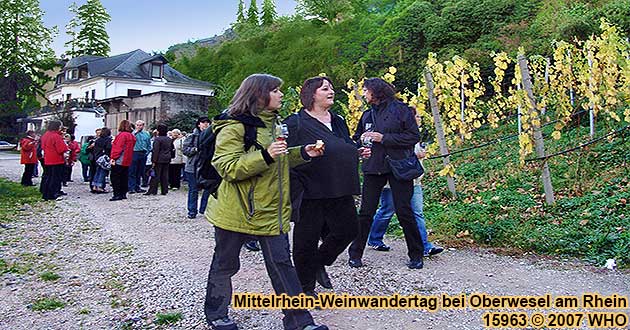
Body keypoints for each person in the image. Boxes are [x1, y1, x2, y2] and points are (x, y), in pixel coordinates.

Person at [204, 73, 327, 330]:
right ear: (259, 94)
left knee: (282, 265)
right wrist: (266, 155)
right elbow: (227, 168)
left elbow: (277, 160)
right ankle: (216, 314)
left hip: (272, 211)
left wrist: (303, 153)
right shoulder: (234, 126)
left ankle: (299, 321)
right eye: (275, 90)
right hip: (236, 211)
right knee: (225, 264)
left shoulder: (273, 124)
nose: (281, 95)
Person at [284, 76, 365, 295]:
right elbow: (285, 156)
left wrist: (355, 150)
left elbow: (344, 143)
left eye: (331, 88)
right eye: (325, 89)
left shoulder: (337, 120)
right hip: (309, 189)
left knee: (348, 230)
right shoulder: (296, 122)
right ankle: (305, 289)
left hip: (339, 186)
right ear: (311, 94)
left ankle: (319, 261)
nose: (331, 91)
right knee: (305, 241)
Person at [347, 77, 425, 269]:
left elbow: (413, 136)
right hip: (373, 167)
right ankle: (355, 254)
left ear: (376, 91)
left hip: (398, 166)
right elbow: (356, 138)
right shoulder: (366, 115)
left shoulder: (402, 110)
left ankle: (416, 254)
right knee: (365, 212)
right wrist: (360, 145)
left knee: (404, 211)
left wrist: (384, 138)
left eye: (366, 90)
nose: (364, 94)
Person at [368, 141, 444, 256]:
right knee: (387, 211)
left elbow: (419, 153)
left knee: (417, 213)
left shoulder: (412, 133)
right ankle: (375, 238)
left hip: (414, 181)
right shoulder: (391, 133)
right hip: (392, 183)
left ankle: (424, 246)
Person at [183, 117, 212, 219]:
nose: (206, 124)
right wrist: (195, 149)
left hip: (207, 166)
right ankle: (192, 211)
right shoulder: (192, 136)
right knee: (193, 189)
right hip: (193, 166)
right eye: (203, 122)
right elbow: (185, 150)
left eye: (207, 122)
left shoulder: (212, 136)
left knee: (208, 188)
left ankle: (203, 209)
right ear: (199, 124)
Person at [39, 120, 69, 200]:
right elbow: (61, 149)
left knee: (48, 177)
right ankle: (52, 194)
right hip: (56, 159)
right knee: (55, 178)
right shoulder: (56, 136)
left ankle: (45, 193)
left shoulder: (45, 135)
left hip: (47, 158)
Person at [109, 120, 136, 201]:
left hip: (120, 159)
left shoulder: (121, 135)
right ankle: (123, 193)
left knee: (115, 177)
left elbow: (118, 148)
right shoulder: (131, 136)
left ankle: (117, 194)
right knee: (124, 177)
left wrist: (113, 158)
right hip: (127, 159)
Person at [145, 124, 174, 195]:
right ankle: (164, 190)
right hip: (167, 158)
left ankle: (153, 190)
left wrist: (153, 161)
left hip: (159, 159)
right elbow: (172, 149)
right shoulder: (169, 139)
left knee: (155, 175)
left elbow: (156, 151)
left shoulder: (157, 139)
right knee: (165, 175)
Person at [128, 120, 151, 194]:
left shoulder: (146, 134)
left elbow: (148, 144)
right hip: (134, 152)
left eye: (140, 125)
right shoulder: (132, 134)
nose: (139, 127)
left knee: (140, 171)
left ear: (143, 126)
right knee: (132, 171)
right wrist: (135, 133)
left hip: (143, 153)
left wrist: (147, 152)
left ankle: (137, 187)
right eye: (137, 125)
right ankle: (131, 187)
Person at [91, 127, 112, 193]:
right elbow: (108, 148)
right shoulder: (108, 139)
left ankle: (94, 186)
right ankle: (100, 186)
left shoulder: (97, 140)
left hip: (97, 157)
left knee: (97, 171)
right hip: (104, 158)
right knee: (103, 172)